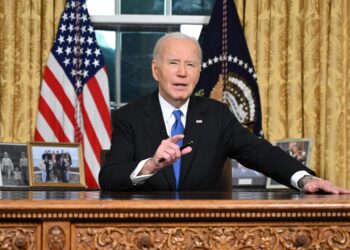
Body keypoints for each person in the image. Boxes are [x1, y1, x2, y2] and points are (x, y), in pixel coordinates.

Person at [99, 32, 349, 194]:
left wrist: (305, 179)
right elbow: (109, 178)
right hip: (143, 231)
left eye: (191, 65)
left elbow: (261, 153)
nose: (182, 72)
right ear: (156, 70)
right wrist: (151, 165)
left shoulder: (217, 116)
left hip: (205, 231)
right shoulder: (129, 117)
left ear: (198, 73)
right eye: (173, 63)